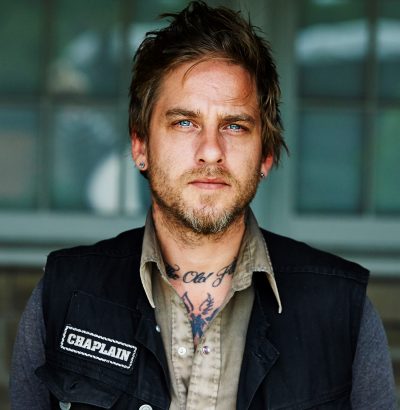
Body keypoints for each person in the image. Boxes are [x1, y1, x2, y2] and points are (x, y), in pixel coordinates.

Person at [10, 2, 397, 409]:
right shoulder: (65, 295)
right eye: (184, 122)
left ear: (265, 155)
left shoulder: (342, 311)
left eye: (235, 126)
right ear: (140, 145)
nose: (211, 150)